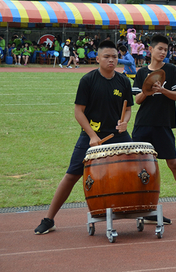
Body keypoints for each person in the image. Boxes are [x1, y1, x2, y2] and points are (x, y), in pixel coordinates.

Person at [34, 40, 133, 235]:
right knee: (72, 175)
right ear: (97, 59)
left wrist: (125, 122)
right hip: (91, 136)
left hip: (118, 135)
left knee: (136, 167)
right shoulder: (88, 80)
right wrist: (92, 136)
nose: (111, 60)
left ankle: (145, 210)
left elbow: (128, 109)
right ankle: (49, 219)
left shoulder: (123, 81)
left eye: (114, 56)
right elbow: (79, 112)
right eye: (107, 57)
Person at [132, 34, 176, 222]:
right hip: (143, 124)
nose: (163, 52)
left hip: (163, 124)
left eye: (166, 49)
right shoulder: (141, 73)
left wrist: (162, 90)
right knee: (141, 167)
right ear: (151, 50)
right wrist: (148, 89)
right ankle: (144, 207)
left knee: (173, 163)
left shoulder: (171, 70)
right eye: (160, 49)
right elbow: (137, 100)